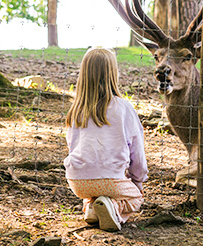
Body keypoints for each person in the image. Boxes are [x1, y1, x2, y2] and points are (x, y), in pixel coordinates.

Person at [63, 47, 147, 232]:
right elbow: (137, 152)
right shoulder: (124, 108)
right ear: (112, 74)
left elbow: (73, 146)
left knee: (96, 189)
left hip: (78, 181)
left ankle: (91, 208)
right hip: (111, 180)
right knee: (135, 197)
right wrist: (137, 180)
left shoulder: (76, 110)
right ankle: (114, 209)